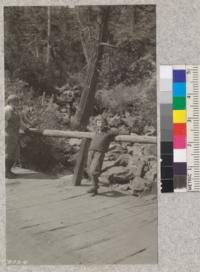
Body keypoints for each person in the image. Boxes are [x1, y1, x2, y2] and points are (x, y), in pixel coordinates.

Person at [87, 117, 119, 196]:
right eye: (98, 122)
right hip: (91, 151)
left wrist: (108, 128)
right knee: (89, 169)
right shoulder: (96, 131)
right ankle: (95, 190)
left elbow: (117, 131)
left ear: (105, 124)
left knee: (93, 170)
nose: (100, 124)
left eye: (101, 122)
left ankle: (95, 186)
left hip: (99, 152)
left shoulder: (108, 132)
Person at [5, 95, 31, 178]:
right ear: (9, 102)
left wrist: (26, 129)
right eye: (14, 101)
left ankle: (9, 171)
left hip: (14, 135)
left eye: (17, 101)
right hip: (8, 134)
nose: (16, 103)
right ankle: (6, 172)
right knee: (8, 153)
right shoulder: (7, 110)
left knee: (14, 154)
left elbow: (19, 122)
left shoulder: (15, 111)